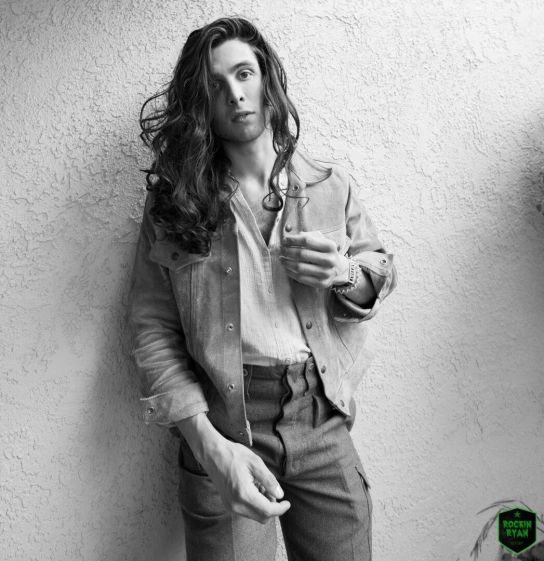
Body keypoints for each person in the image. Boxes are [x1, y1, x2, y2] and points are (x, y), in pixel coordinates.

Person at [128, 16, 397, 561]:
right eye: (215, 85)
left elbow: (380, 271)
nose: (235, 93)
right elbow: (152, 328)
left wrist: (343, 273)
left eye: (244, 73)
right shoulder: (175, 206)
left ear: (267, 79)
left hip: (319, 415)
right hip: (224, 424)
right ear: (200, 104)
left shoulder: (330, 186)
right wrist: (209, 447)